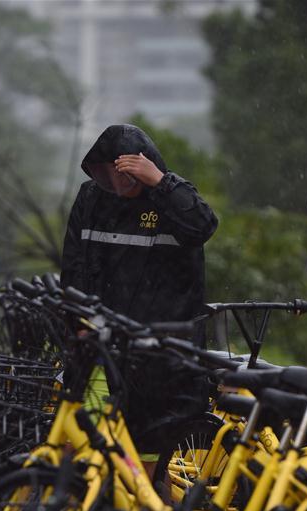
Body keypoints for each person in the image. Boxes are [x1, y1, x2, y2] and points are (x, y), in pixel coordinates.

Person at [61, 123, 218, 456]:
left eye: (127, 176)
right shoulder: (91, 199)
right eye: (108, 175)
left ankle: (151, 503)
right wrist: (77, 323)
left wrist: (159, 181)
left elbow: (203, 226)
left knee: (146, 457)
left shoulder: (172, 197)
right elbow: (73, 266)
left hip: (155, 356)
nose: (117, 185)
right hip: (103, 348)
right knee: (87, 443)